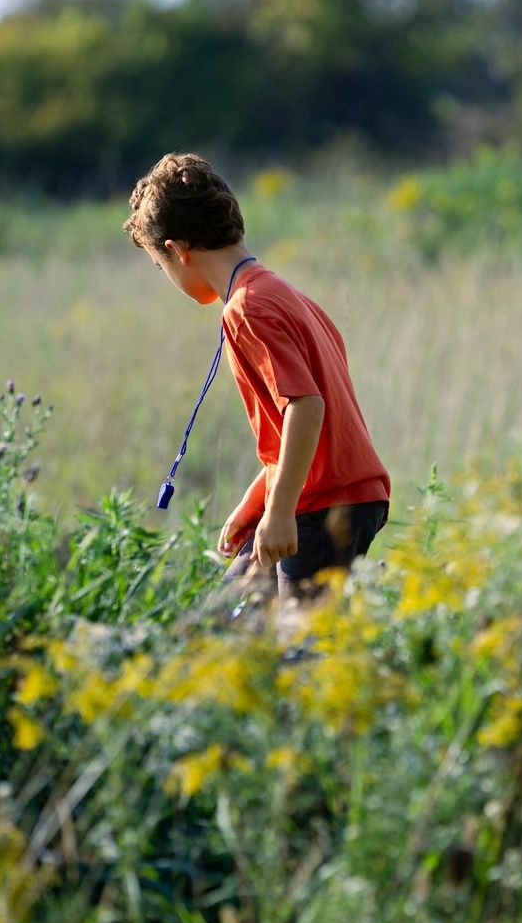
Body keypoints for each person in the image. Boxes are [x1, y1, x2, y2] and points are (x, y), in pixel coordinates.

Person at [125, 153, 392, 599]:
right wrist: (257, 506)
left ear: (176, 250)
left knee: (301, 649)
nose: (166, 274)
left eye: (160, 265)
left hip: (323, 504)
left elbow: (307, 407)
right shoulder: (288, 296)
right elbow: (292, 428)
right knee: (227, 614)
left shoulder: (248, 308)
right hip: (325, 497)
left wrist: (282, 509)